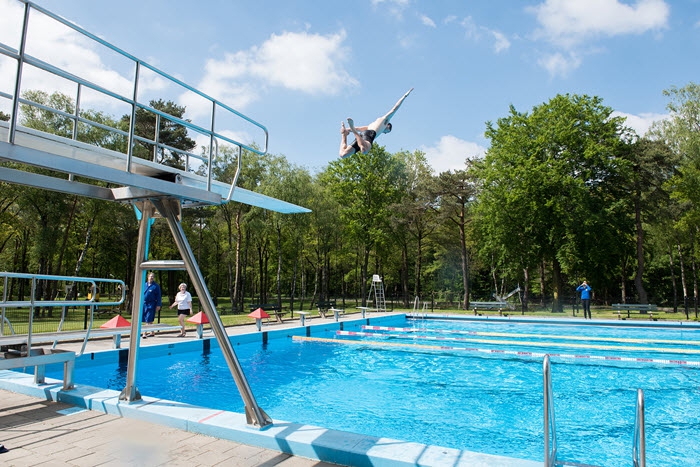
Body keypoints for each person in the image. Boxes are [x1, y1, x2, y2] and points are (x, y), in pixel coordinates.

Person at [339, 88, 413, 158]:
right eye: (387, 131)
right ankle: (353, 129)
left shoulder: (372, 125)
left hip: (362, 137)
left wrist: (346, 130)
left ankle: (344, 135)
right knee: (364, 151)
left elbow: (359, 128)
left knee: (343, 154)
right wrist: (405, 96)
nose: (385, 133)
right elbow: (395, 108)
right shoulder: (384, 121)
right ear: (388, 125)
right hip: (368, 136)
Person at [142, 272, 161, 338]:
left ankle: (144, 333)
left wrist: (158, 305)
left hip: (151, 304)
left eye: (153, 276)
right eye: (150, 276)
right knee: (147, 318)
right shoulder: (144, 285)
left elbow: (158, 296)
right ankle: (152, 332)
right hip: (144, 304)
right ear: (148, 277)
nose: (151, 278)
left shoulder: (155, 286)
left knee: (148, 318)